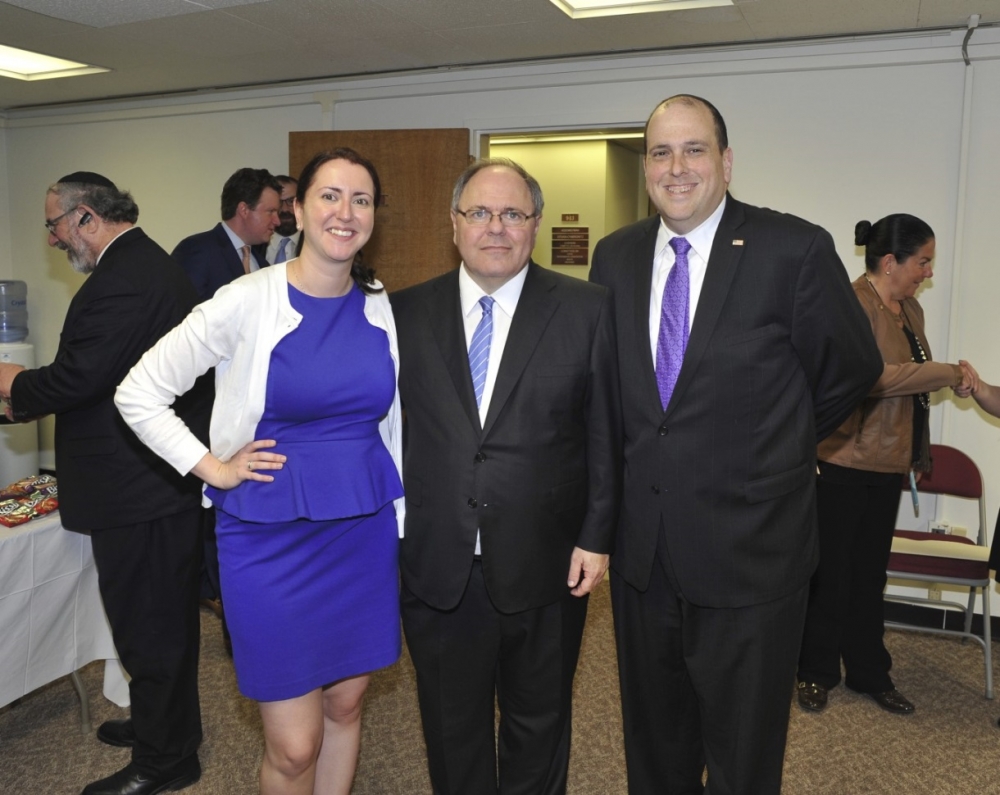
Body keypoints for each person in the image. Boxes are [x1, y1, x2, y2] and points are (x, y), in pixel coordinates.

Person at [589, 95, 884, 795]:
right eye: (660, 152)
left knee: (742, 754)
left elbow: (853, 369)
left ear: (726, 161)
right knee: (654, 746)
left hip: (753, 552)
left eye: (694, 149)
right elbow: (610, 394)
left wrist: (779, 443)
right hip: (647, 557)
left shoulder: (794, 248)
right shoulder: (615, 256)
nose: (676, 166)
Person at [116, 148, 403, 795]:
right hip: (269, 540)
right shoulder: (246, 299)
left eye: (361, 199)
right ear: (295, 209)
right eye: (329, 196)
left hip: (361, 532)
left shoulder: (379, 303)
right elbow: (138, 390)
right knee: (294, 745)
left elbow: (392, 421)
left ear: (373, 218)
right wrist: (211, 467)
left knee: (346, 706)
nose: (345, 212)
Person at [390, 158, 621, 795]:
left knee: (538, 721)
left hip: (548, 564)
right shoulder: (401, 315)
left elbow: (606, 434)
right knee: (450, 727)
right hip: (438, 564)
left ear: (536, 225)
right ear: (455, 225)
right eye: (481, 213)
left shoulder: (587, 309)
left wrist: (597, 536)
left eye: (513, 214)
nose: (497, 227)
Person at [0, 172, 206, 795]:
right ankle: (162, 730)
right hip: (147, 484)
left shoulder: (127, 278)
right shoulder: (143, 265)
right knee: (159, 623)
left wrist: (11, 383)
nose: (55, 238)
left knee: (152, 628)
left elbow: (77, 379)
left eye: (55, 225)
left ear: (87, 217)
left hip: (139, 489)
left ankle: (166, 762)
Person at [796, 214, 976, 717]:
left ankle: (869, 672)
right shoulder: (853, 303)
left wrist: (916, 451)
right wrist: (945, 373)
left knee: (870, 574)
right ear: (891, 261)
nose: (927, 272)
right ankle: (815, 672)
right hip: (843, 458)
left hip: (887, 462)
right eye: (923, 262)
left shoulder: (908, 310)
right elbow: (872, 378)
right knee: (831, 573)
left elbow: (909, 386)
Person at [173, 167, 281, 303]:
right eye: (270, 211)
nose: (277, 221)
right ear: (244, 210)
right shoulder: (197, 250)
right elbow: (184, 311)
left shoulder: (262, 264)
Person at [256, 175, 301, 265]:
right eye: (279, 202)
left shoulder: (316, 245)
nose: (284, 209)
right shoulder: (254, 245)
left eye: (291, 201)